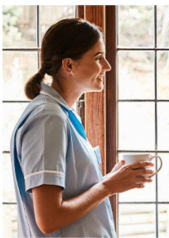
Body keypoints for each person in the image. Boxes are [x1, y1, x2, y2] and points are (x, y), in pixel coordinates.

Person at [10, 18, 154, 237]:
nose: (107, 66)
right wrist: (108, 187)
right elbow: (49, 219)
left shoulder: (60, 114)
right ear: (69, 65)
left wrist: (108, 181)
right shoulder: (48, 119)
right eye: (98, 58)